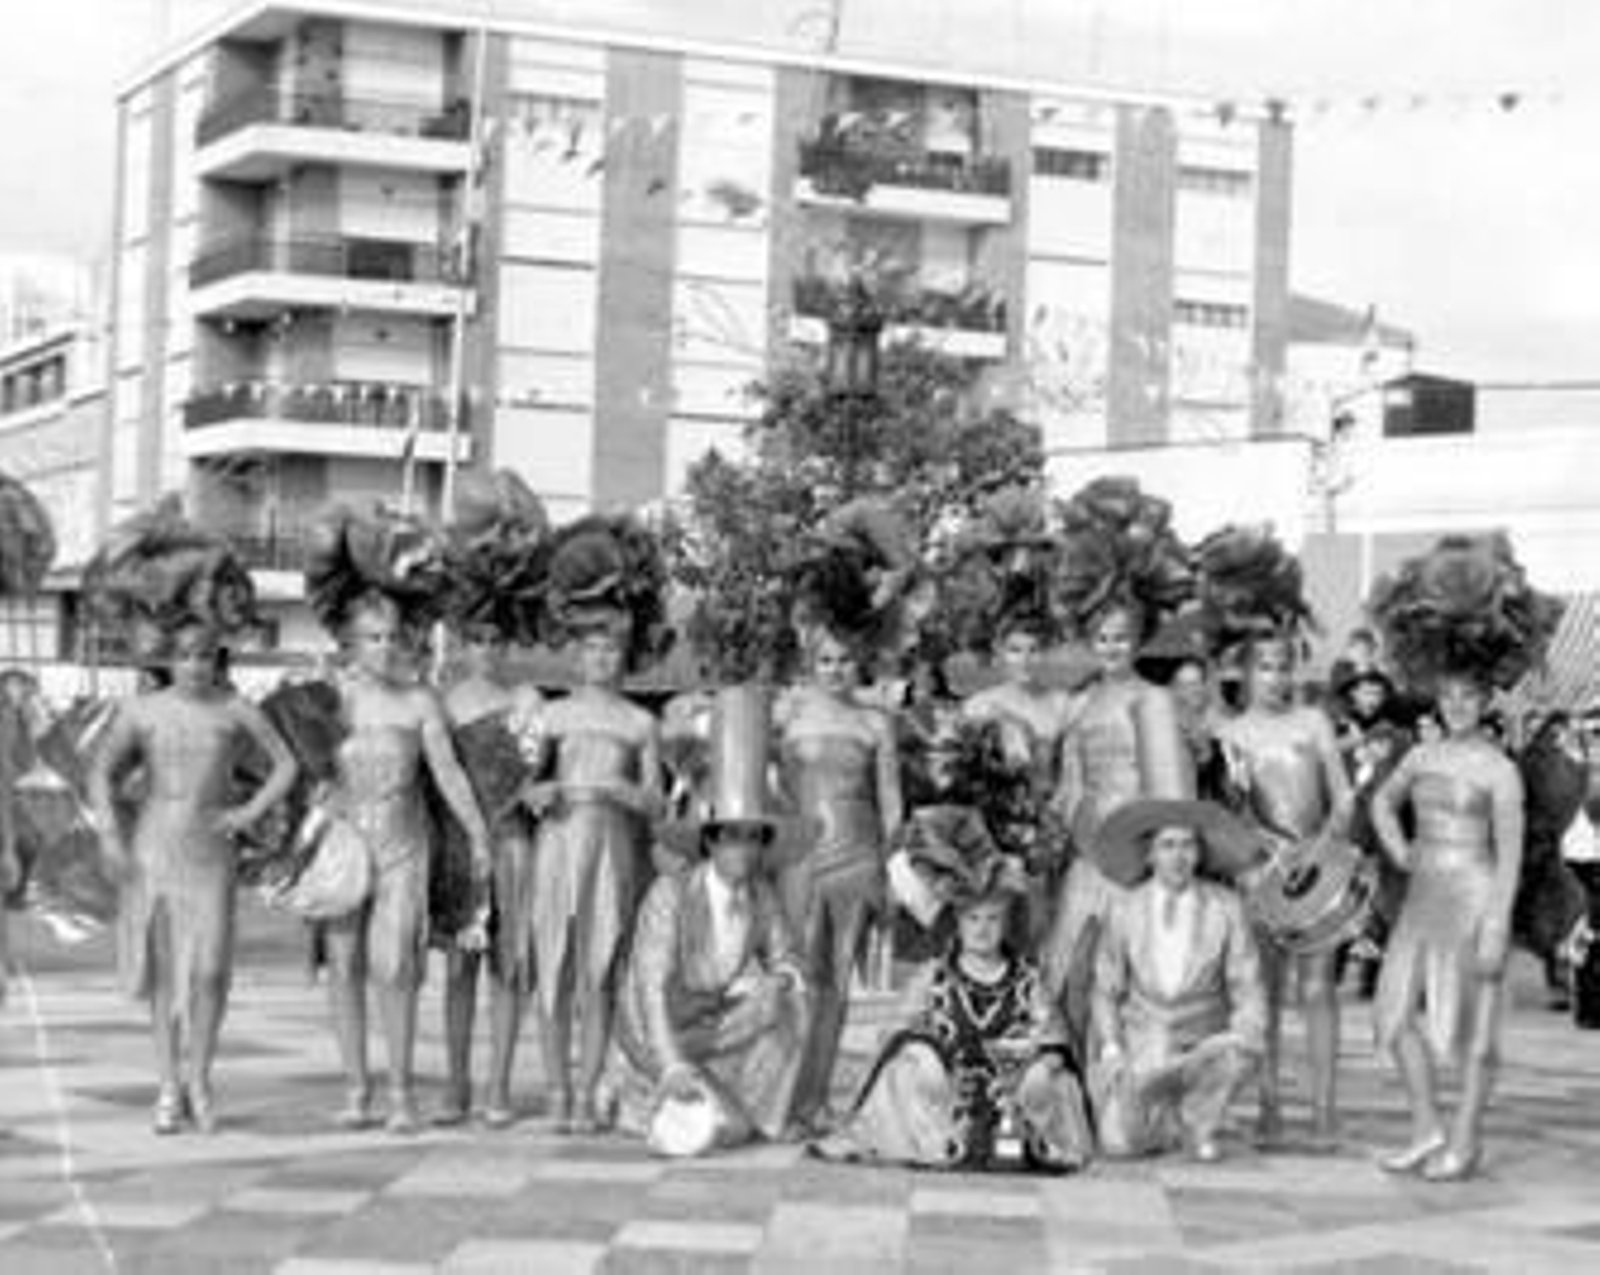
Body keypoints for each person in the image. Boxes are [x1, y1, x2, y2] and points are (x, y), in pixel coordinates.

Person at [84, 515, 297, 1134]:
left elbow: (285, 764)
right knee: (164, 970)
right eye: (184, 656)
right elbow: (100, 772)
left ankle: (202, 1077)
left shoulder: (235, 710)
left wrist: (250, 812)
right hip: (154, 847)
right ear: (168, 658)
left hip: (212, 852)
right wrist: (108, 832)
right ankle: (169, 1085)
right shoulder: (141, 710)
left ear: (217, 658)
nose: (195, 666)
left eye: (205, 656)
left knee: (209, 970)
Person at [1367, 532, 1560, 1181]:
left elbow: (1509, 853)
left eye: (1468, 697)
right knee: (1392, 1017)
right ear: (1436, 696)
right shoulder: (1420, 756)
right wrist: (1399, 849)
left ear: (1485, 700)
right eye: (1447, 695)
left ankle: (1467, 1136)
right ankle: (1426, 1126)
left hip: (1476, 895)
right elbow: (1380, 804)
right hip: (1422, 896)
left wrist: (1500, 921)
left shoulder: (1500, 769)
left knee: (1474, 1030)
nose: (1456, 705)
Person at [304, 509, 493, 1134]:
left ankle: (402, 1090)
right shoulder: (336, 700)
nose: (385, 647)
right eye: (372, 637)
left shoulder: (419, 701)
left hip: (407, 848)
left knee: (397, 966)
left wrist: (477, 832)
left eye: (392, 636)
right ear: (351, 643)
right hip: (346, 844)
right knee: (346, 963)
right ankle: (357, 1087)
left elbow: (449, 775)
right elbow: (309, 770)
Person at [815, 804, 1093, 1172]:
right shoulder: (936, 975)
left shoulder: (1026, 979)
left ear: (1007, 924)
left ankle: (1025, 1137)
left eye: (993, 919)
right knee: (903, 1075)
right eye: (973, 919)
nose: (982, 929)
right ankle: (937, 1139)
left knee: (1057, 1086)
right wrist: (921, 1051)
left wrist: (1045, 1064)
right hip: (947, 1090)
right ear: (957, 923)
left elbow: (1055, 1036)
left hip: (1015, 1088)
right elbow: (898, 1030)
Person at [606, 687, 810, 1156]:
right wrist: (671, 1062)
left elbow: (787, 956)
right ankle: (656, 1089)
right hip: (658, 1032)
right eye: (731, 837)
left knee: (792, 1002)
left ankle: (757, 1111)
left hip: (711, 1022)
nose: (743, 849)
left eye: (753, 838)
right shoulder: (671, 894)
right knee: (709, 1124)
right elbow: (649, 989)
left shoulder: (760, 895)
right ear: (710, 842)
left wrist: (780, 979)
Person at [520, 513, 668, 1134]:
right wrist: (539, 791)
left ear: (624, 654)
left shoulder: (640, 724)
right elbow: (523, 788)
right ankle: (555, 1088)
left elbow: (658, 804)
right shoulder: (550, 718)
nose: (600, 657)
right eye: (590, 647)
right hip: (557, 846)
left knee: (601, 969)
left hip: (613, 849)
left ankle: (590, 1087)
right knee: (551, 967)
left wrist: (624, 791)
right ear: (574, 653)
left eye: (610, 647)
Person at [434, 471, 550, 1128]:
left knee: (511, 970)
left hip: (513, 851)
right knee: (457, 973)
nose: (486, 648)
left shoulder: (529, 701)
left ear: (511, 638)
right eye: (475, 637)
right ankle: (455, 1082)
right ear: (460, 637)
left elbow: (537, 781)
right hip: (459, 849)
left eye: (496, 638)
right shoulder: (447, 702)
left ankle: (499, 1085)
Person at [1217, 635, 1352, 1148]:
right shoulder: (1229, 732)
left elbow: (1342, 795)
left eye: (1283, 667)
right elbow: (1229, 814)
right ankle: (1268, 1106)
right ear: (1248, 674)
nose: (1276, 677)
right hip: (1259, 877)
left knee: (1318, 991)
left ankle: (1324, 1110)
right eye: (1266, 667)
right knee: (1264, 995)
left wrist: (1326, 842)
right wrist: (1260, 851)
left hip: (1318, 874)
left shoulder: (1313, 723)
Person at [1089, 799, 1266, 1163]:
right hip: (1145, 1042)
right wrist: (1111, 1047)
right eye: (1167, 845)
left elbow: (1247, 984)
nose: (1178, 856)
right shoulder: (1124, 908)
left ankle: (1198, 1116)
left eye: (1188, 845)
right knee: (1119, 1145)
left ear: (1199, 854)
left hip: (1203, 1044)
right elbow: (1105, 989)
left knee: (1236, 1052)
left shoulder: (1227, 907)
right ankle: (1173, 1114)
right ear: (1150, 855)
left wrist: (1248, 1031)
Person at [777, 626, 902, 1131]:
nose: (836, 669)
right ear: (811, 664)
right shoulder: (790, 717)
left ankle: (817, 1099)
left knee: (836, 988)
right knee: (796, 983)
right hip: (802, 858)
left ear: (859, 664)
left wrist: (893, 867)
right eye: (826, 660)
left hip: (858, 856)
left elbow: (891, 801)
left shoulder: (875, 724)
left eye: (845, 659)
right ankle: (782, 1096)